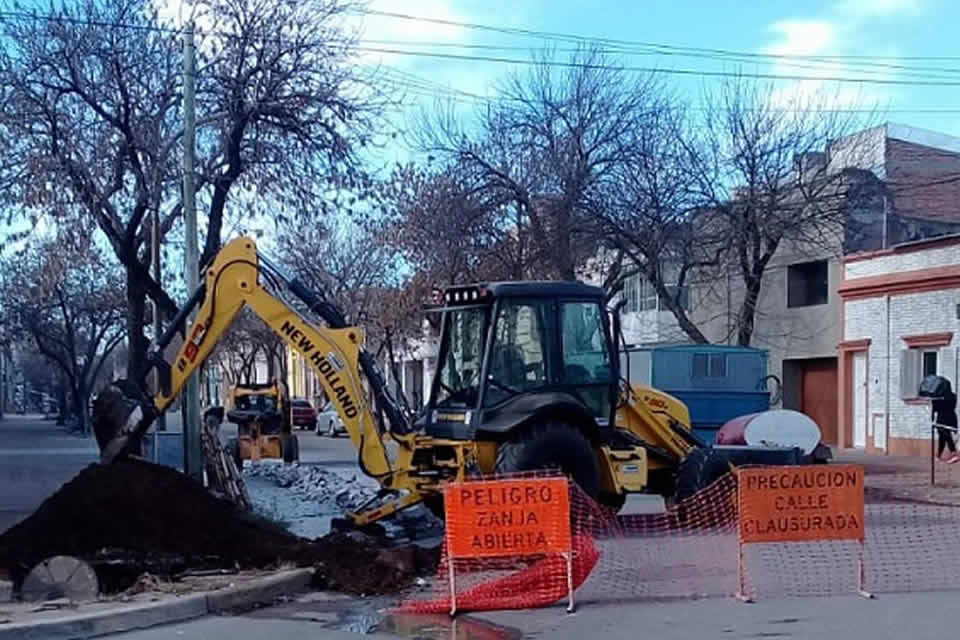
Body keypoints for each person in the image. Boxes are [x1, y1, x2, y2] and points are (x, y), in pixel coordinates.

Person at [932, 379, 959, 463]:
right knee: (943, 436)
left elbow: (936, 409)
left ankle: (953, 452)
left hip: (943, 418)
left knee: (945, 434)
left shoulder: (939, 397)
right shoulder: (953, 396)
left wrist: (935, 400)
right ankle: (938, 455)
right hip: (951, 417)